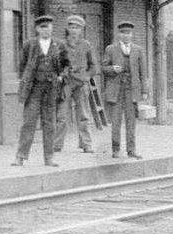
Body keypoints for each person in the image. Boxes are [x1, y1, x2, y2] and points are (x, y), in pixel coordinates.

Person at [15, 13, 69, 167]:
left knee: (49, 123)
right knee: (29, 122)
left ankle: (49, 158)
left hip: (51, 89)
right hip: (34, 90)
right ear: (37, 29)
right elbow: (22, 66)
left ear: (52, 28)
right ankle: (20, 156)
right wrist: (27, 80)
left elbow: (66, 65)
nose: (46, 30)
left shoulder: (59, 45)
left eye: (48, 27)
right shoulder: (29, 45)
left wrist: (61, 76)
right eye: (42, 27)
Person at [102, 19, 149, 159]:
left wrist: (144, 91)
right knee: (116, 121)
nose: (126, 35)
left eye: (128, 33)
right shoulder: (110, 49)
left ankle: (131, 150)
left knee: (131, 121)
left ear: (132, 34)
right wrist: (112, 69)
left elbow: (143, 72)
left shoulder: (138, 50)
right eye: (123, 33)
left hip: (131, 90)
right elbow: (102, 67)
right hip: (116, 89)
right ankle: (116, 150)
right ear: (119, 34)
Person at [59, 15, 98, 154]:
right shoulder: (60, 45)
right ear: (67, 28)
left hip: (81, 84)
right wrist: (60, 75)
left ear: (81, 30)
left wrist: (86, 77)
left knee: (83, 115)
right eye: (71, 27)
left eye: (77, 27)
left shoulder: (86, 45)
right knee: (61, 115)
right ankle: (57, 145)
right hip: (65, 84)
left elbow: (94, 67)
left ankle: (86, 144)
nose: (74, 30)